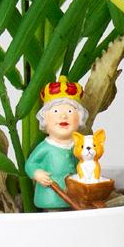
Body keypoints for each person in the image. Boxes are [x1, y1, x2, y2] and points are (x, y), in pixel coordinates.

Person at [25, 76, 89, 210]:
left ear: (79, 119)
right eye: (56, 111)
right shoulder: (46, 147)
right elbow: (30, 163)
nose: (63, 116)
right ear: (45, 120)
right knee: (54, 216)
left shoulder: (78, 146)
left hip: (74, 194)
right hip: (50, 195)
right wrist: (37, 173)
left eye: (70, 111)